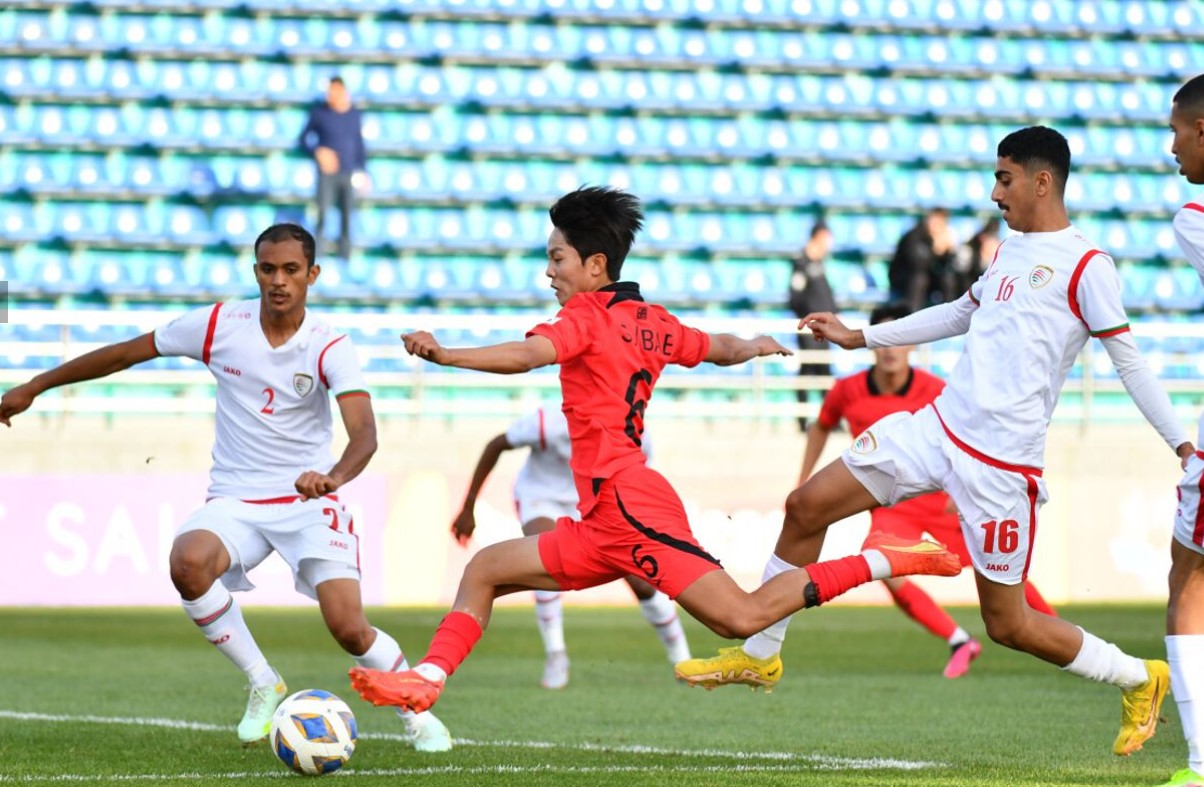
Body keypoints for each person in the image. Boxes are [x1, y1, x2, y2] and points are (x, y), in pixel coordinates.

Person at [346, 186, 963, 717]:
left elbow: (528, 355)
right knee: (485, 568)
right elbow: (713, 344)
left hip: (630, 505)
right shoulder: (651, 319)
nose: (548, 272)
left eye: (556, 259)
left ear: (594, 265)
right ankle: (426, 681)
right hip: (600, 520)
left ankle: (897, 560)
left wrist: (447, 354)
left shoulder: (585, 316)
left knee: (742, 619)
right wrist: (753, 344)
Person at [676, 127, 1192, 758]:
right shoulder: (1009, 250)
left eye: (1004, 178)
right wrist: (859, 336)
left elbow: (1129, 363)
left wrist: (1183, 446)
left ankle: (1141, 677)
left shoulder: (1089, 266)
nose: (994, 192)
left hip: (1002, 469)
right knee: (806, 506)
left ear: (1041, 180)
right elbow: (957, 311)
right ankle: (761, 655)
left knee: (1008, 625)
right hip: (937, 427)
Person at [0, 223, 451, 752]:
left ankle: (418, 715)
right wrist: (34, 385)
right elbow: (126, 353)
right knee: (187, 562)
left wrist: (333, 477)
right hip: (236, 500)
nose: (278, 280)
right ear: (255, 271)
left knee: (350, 629)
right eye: (267, 269)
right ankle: (264, 682)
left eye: (290, 270)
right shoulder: (219, 324)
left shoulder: (329, 344)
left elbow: (365, 434)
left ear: (313, 275)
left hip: (308, 503)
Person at [799, 301, 1058, 679]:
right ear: (873, 344)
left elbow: (969, 433)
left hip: (940, 500)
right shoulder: (847, 390)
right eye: (881, 341)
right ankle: (958, 640)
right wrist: (804, 478)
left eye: (896, 340)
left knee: (998, 573)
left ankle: (1058, 633)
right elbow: (821, 425)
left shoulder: (935, 388)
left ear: (908, 344)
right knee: (884, 567)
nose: (889, 350)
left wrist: (963, 487)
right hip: (890, 504)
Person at [452, 403, 691, 689]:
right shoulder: (549, 422)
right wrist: (469, 506)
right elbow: (496, 445)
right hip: (541, 497)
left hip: (595, 504)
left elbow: (637, 480)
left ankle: (682, 659)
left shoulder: (633, 432)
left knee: (642, 582)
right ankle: (556, 655)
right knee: (545, 559)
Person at [1157, 73, 1204, 787]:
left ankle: (1200, 763)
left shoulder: (1193, 215)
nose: (1170, 147)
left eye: (1176, 131)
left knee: (1190, 578)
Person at [298, 76, 367, 260]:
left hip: (347, 173)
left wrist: (362, 171)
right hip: (327, 174)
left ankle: (345, 256)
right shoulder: (319, 113)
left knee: (347, 215)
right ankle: (317, 255)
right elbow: (303, 141)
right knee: (322, 214)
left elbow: (359, 144)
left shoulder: (354, 115)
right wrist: (318, 152)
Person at [788, 221, 837, 432]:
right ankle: (802, 422)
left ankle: (828, 420)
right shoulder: (802, 264)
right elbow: (794, 297)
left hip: (825, 328)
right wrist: (808, 319)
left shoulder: (819, 264)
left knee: (824, 372)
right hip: (811, 328)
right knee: (807, 370)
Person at [887, 207, 958, 312]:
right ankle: (911, 314)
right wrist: (935, 250)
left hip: (929, 279)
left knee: (948, 279)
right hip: (905, 279)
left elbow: (949, 266)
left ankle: (950, 314)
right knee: (919, 279)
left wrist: (949, 251)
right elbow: (916, 265)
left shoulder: (943, 237)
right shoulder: (913, 236)